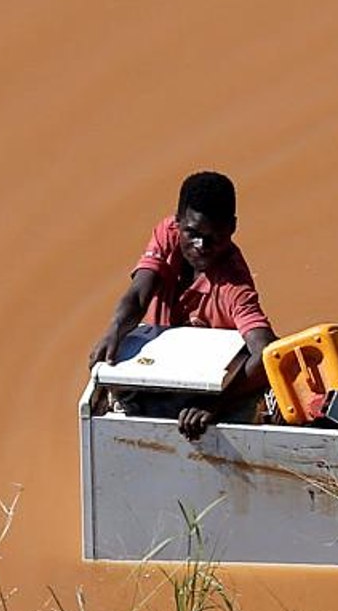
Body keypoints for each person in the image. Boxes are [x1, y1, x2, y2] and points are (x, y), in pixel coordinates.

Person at [88, 171, 278, 440]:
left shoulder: (234, 285)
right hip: (156, 371)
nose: (201, 246)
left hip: (206, 388)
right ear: (178, 223)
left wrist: (214, 404)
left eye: (215, 236)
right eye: (192, 233)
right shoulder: (167, 234)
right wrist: (114, 330)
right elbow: (139, 295)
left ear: (232, 228)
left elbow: (267, 352)